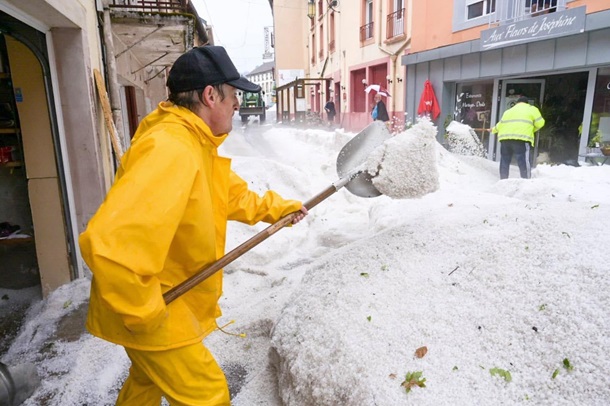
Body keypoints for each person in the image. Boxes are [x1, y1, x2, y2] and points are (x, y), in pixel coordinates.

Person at [79, 45, 308, 406]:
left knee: (144, 383)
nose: (237, 104)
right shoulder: (171, 148)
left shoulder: (194, 142)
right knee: (208, 395)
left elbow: (230, 197)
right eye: (233, 95)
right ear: (210, 95)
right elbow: (109, 244)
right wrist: (145, 312)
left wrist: (281, 210)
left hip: (163, 299)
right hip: (155, 306)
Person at [492, 95, 545, 179]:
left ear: (517, 103)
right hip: (521, 139)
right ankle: (526, 181)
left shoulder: (508, 111)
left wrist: (492, 130)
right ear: (526, 103)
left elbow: (499, 125)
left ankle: (503, 180)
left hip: (505, 139)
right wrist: (532, 130)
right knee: (523, 161)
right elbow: (540, 123)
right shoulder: (532, 109)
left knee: (504, 160)